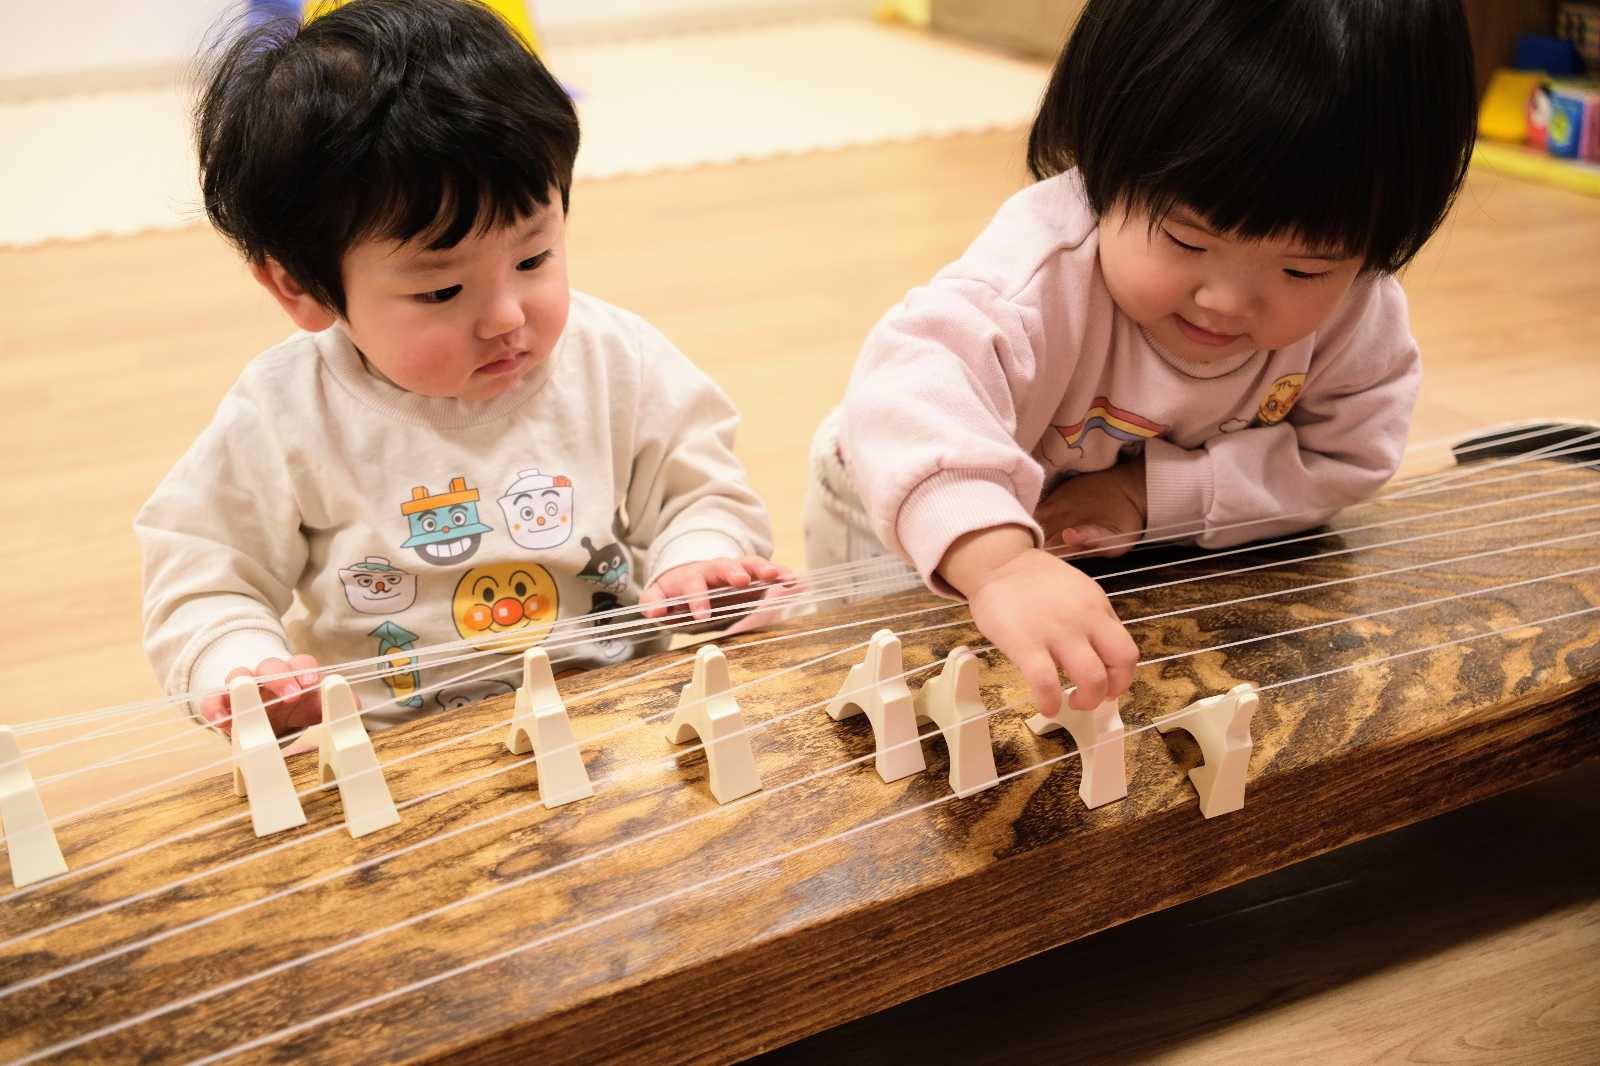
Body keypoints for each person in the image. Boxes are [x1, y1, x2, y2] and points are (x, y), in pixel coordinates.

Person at [805, 0, 1477, 718]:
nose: (1225, 300)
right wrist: (997, 562)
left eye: (1303, 272)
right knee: (893, 708)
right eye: (1189, 242)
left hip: (1098, 543)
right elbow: (904, 392)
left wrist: (1147, 495)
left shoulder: (1357, 308)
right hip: (912, 499)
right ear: (1105, 161)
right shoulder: (1034, 276)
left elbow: (1346, 460)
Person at [138, 0, 788, 736]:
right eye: (441, 289)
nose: (506, 316)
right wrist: (241, 665)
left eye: (534, 257)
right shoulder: (284, 412)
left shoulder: (615, 359)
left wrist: (698, 559)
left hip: (618, 732)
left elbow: (698, 491)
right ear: (301, 288)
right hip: (398, 763)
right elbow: (202, 570)